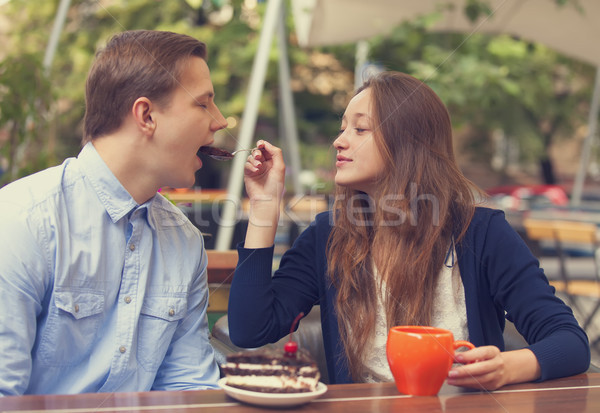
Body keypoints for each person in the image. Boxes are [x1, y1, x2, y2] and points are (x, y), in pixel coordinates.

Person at [227, 71, 590, 390]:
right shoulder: (329, 235)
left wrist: (507, 368)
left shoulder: (482, 234)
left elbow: (570, 342)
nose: (338, 142)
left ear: (409, 142)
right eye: (342, 129)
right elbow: (251, 331)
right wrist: (263, 206)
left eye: (359, 129)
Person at [0, 30, 228, 396]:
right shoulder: (21, 222)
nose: (221, 121)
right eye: (203, 104)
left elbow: (190, 387)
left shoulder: (184, 241)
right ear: (146, 115)